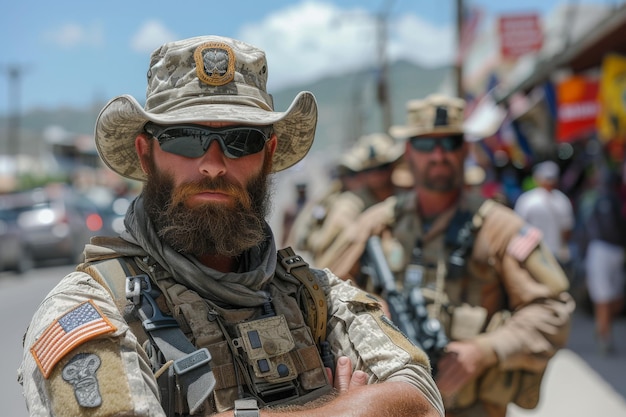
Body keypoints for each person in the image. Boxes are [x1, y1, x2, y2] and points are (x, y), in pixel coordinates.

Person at [17, 36, 443, 417]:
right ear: (146, 155)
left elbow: (421, 398)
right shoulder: (90, 309)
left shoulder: (315, 295)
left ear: (269, 155)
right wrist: (346, 406)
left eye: (242, 140)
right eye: (185, 137)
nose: (213, 164)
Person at [319, 94, 575, 417]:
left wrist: (485, 351)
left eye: (450, 143)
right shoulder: (377, 224)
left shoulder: (499, 228)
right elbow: (321, 291)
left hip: (472, 406)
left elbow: (553, 309)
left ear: (465, 149)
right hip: (391, 405)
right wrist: (368, 310)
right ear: (409, 151)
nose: (439, 155)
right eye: (426, 145)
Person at [286, 132, 404, 268]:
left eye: (383, 167)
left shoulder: (406, 194)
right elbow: (331, 263)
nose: (377, 175)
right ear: (362, 172)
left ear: (394, 165)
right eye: (370, 170)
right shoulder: (348, 206)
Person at [582, 166, 626, 355]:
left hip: (615, 251)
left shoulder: (616, 199)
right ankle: (604, 335)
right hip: (601, 250)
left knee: (615, 298)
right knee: (603, 298)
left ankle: (603, 327)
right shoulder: (601, 199)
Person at [514, 160, 575, 271]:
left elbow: (517, 227)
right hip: (549, 253)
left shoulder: (527, 199)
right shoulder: (562, 200)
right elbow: (567, 231)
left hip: (535, 253)